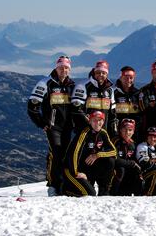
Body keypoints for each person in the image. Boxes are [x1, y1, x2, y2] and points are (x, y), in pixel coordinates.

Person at [27, 56, 75, 196]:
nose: (63, 70)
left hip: (67, 127)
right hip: (53, 127)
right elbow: (32, 107)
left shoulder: (71, 85)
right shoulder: (45, 83)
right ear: (56, 67)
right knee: (56, 153)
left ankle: (63, 184)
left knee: (66, 155)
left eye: (66, 68)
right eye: (61, 67)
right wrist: (41, 123)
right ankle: (52, 185)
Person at [62, 111, 116, 196]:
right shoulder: (84, 133)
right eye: (94, 120)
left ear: (103, 121)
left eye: (100, 120)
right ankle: (65, 189)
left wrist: (97, 155)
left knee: (110, 161)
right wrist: (76, 172)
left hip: (86, 169)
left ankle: (104, 191)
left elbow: (113, 151)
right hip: (72, 169)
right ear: (89, 121)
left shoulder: (103, 133)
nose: (97, 123)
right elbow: (74, 153)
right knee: (89, 194)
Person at [71, 60, 117, 136]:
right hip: (85, 131)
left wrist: (113, 132)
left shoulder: (110, 90)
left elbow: (112, 114)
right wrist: (92, 125)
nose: (101, 75)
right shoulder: (83, 86)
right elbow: (76, 110)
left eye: (104, 73)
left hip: (103, 132)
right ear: (94, 72)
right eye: (98, 72)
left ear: (107, 74)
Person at [110, 118, 142, 196]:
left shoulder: (133, 143)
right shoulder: (115, 141)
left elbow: (135, 161)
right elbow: (115, 160)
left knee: (138, 172)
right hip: (114, 170)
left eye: (130, 130)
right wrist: (131, 163)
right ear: (120, 130)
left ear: (133, 131)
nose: (127, 132)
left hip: (127, 172)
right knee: (121, 169)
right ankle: (112, 194)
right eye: (125, 130)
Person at [138, 61, 156, 140]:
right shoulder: (144, 90)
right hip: (148, 130)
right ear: (152, 73)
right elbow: (143, 108)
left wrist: (155, 104)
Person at [136, 126, 156, 195]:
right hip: (141, 175)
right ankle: (148, 194)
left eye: (155, 136)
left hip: (150, 172)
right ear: (147, 137)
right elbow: (145, 164)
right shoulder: (142, 146)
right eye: (150, 136)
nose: (152, 139)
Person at [113, 66, 141, 140]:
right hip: (118, 132)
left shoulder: (137, 93)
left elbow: (141, 113)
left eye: (131, 77)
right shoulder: (114, 93)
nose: (128, 80)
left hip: (134, 133)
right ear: (120, 78)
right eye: (126, 77)